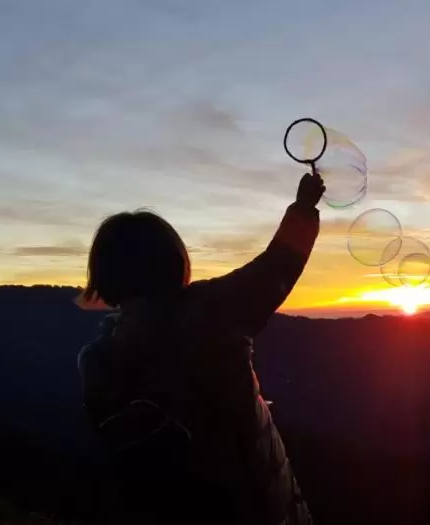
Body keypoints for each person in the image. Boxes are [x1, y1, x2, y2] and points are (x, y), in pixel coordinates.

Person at [77, 173, 325, 524]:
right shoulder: (214, 310)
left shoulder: (99, 360)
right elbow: (278, 266)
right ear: (174, 261)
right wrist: (304, 206)